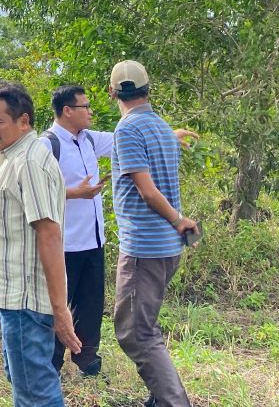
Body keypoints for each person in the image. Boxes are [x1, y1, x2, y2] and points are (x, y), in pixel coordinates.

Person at [45, 85, 198, 376]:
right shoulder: (47, 145)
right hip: (63, 242)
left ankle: (87, 359)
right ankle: (51, 363)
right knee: (58, 305)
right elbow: (32, 190)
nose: (91, 112)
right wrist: (74, 193)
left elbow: (126, 139)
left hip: (93, 240)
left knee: (90, 304)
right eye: (84, 107)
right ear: (67, 111)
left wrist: (170, 135)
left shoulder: (89, 139)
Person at [0, 82, 81, 407]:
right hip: (13, 298)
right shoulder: (12, 157)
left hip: (27, 303)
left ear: (23, 121)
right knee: (23, 382)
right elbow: (8, 234)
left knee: (36, 393)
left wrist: (60, 310)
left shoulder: (30, 162)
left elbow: (49, 236)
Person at [108, 60, 198, 407]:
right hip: (164, 247)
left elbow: (146, 190)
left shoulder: (128, 130)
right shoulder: (159, 126)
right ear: (148, 89)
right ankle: (160, 399)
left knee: (135, 332)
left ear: (112, 91)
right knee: (144, 325)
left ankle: (174, 402)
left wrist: (178, 219)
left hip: (144, 248)